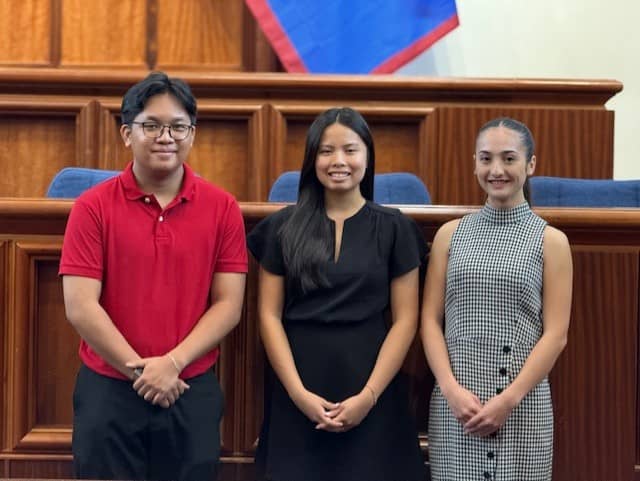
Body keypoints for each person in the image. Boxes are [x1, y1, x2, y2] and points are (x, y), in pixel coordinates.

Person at [59, 72, 248, 481]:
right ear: (127, 133)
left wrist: (173, 364)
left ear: (192, 134)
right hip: (109, 387)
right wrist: (143, 374)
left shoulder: (223, 207)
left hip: (189, 386)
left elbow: (229, 305)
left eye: (179, 126)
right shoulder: (91, 208)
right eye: (152, 126)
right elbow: (80, 306)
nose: (167, 136)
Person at [247, 107, 427, 481]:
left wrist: (369, 396)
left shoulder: (396, 228)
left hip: (372, 385)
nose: (338, 161)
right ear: (312, 159)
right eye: (326, 151)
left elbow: (406, 319)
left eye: (350, 149)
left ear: (367, 156)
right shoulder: (282, 227)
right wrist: (298, 393)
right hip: (297, 385)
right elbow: (268, 315)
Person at [421, 117, 573, 480]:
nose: (497, 170)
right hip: (456, 403)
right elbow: (429, 320)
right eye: (486, 159)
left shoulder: (551, 241)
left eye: (509, 158)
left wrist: (508, 400)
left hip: (522, 405)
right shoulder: (449, 235)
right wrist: (450, 390)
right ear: (474, 162)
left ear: (530, 164)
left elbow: (556, 334)